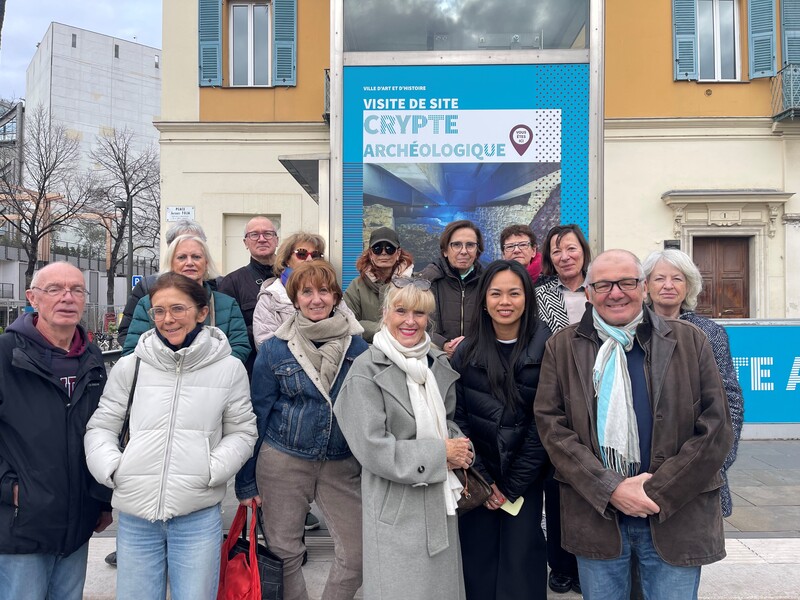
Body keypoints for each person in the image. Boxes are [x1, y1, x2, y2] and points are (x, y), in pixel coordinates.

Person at [534, 250, 733, 600]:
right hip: (598, 518)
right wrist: (611, 488)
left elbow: (716, 428)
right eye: (604, 284)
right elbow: (552, 428)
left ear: (642, 288)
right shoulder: (561, 347)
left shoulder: (690, 341)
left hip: (675, 517)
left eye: (626, 282)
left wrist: (656, 490)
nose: (616, 292)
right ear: (589, 293)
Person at [85, 272, 257, 600]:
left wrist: (212, 469)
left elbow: (242, 431)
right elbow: (101, 426)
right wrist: (114, 469)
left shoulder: (228, 368)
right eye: (159, 311)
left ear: (201, 312)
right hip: (136, 517)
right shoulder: (131, 366)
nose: (168, 319)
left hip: (197, 514)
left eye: (178, 309)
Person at [236, 261, 368, 600]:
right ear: (295, 299)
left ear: (336, 297)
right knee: (284, 553)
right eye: (306, 292)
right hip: (283, 460)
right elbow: (257, 414)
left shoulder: (358, 349)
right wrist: (246, 480)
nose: (315, 299)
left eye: (323, 291)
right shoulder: (275, 349)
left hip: (340, 463)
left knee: (358, 555)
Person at [335, 277, 471, 600]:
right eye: (401, 311)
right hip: (394, 509)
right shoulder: (365, 370)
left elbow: (448, 421)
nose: (411, 321)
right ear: (385, 313)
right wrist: (441, 454)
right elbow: (373, 448)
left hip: (440, 503)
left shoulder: (436, 363)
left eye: (420, 313)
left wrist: (460, 445)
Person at [0, 262, 113, 600]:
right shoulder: (7, 355)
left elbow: (103, 429)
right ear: (32, 298)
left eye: (77, 290)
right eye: (55, 289)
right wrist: (11, 490)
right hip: (21, 524)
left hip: (77, 524)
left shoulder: (92, 357)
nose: (67, 297)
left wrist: (101, 501)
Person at [452, 260, 551, 600]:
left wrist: (510, 486)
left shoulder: (549, 348)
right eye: (496, 293)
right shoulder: (466, 352)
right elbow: (458, 417)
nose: (504, 301)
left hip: (525, 478)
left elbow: (546, 425)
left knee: (520, 566)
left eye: (514, 293)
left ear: (527, 299)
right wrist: (482, 479)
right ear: (483, 300)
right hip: (477, 479)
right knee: (478, 565)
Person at [643, 249, 744, 517]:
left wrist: (719, 460)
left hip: (696, 459)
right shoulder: (632, 330)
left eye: (677, 279)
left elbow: (730, 400)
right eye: (659, 278)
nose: (668, 285)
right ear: (646, 285)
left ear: (688, 285)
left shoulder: (709, 333)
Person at [534, 223, 592, 594]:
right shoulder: (540, 294)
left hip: (600, 396)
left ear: (583, 250)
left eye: (570, 249)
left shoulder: (601, 287)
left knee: (593, 483)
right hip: (556, 394)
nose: (565, 257)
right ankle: (561, 564)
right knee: (557, 487)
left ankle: (592, 559)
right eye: (556, 251)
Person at [122, 235, 250, 362]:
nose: (189, 263)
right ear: (171, 263)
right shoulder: (147, 304)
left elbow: (240, 348)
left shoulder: (227, 304)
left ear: (206, 263)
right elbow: (133, 352)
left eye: (196, 257)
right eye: (182, 257)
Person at [117, 219, 209, 347]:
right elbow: (128, 336)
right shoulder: (147, 287)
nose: (189, 261)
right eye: (181, 245)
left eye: (195, 244)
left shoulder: (221, 287)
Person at [219, 216, 279, 375]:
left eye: (268, 234)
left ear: (277, 240)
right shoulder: (232, 282)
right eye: (254, 235)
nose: (261, 239)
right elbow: (227, 332)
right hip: (251, 370)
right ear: (245, 243)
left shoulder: (293, 278)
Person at [420, 220, 484, 358]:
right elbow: (421, 320)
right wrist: (442, 344)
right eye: (456, 245)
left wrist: (472, 342)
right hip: (437, 357)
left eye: (470, 245)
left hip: (476, 358)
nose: (464, 251)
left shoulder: (487, 281)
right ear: (445, 251)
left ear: (477, 251)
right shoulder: (429, 279)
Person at [252, 231, 326, 347]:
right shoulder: (270, 298)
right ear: (286, 260)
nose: (309, 259)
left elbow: (349, 331)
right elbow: (266, 345)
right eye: (302, 254)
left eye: (315, 255)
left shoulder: (331, 292)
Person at [342, 226, 414, 343]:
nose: (384, 253)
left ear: (398, 253)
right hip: (368, 350)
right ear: (371, 254)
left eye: (389, 248)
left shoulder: (413, 284)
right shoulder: (357, 286)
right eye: (377, 249)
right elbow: (347, 321)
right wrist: (384, 329)